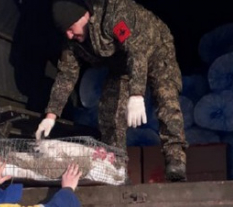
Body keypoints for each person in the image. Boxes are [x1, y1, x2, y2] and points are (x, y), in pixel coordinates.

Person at [36, 0, 189, 182]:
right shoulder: (73, 43)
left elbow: (137, 50)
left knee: (166, 99)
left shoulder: (114, 15)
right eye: (65, 32)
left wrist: (136, 94)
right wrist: (50, 117)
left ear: (84, 17)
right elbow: (66, 75)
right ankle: (116, 168)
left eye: (71, 28)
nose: (69, 35)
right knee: (110, 109)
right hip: (122, 64)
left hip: (155, 50)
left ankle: (175, 161)